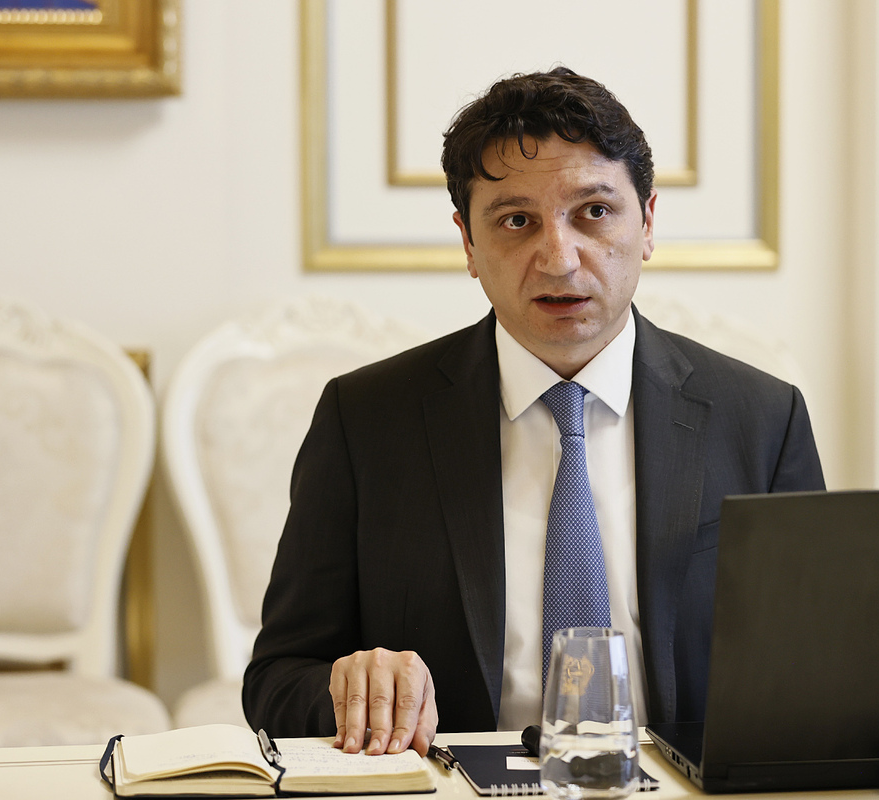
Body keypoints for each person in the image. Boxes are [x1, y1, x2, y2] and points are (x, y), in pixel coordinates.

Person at [243, 67, 825, 758]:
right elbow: (277, 679)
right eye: (517, 221)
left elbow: (816, 670)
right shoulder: (365, 420)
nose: (559, 258)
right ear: (468, 243)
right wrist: (356, 691)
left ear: (647, 224)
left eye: (594, 212)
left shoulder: (762, 418)